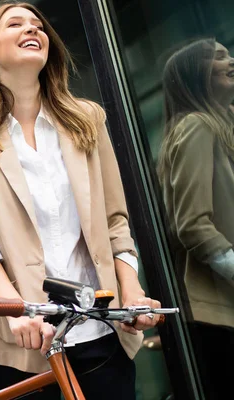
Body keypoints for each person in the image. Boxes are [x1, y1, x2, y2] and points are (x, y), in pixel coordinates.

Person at [0, 2, 161, 399]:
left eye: (38, 25)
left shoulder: (88, 119)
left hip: (99, 327)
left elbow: (115, 221)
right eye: (16, 24)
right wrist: (14, 310)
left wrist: (130, 291)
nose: (33, 29)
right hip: (21, 342)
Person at [157, 38, 234, 400]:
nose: (230, 60)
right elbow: (192, 224)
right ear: (196, 74)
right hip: (217, 311)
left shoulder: (220, 125)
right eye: (218, 56)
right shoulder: (197, 126)